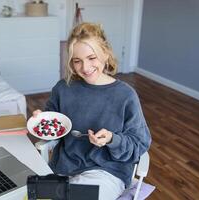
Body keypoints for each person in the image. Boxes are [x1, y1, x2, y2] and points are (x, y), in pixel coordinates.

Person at [32, 22, 151, 200]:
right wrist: (42, 121)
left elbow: (139, 144)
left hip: (106, 172)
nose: (85, 68)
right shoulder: (64, 88)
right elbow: (55, 127)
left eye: (91, 58)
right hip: (63, 168)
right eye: (77, 61)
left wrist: (112, 139)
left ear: (106, 53)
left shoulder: (125, 95)